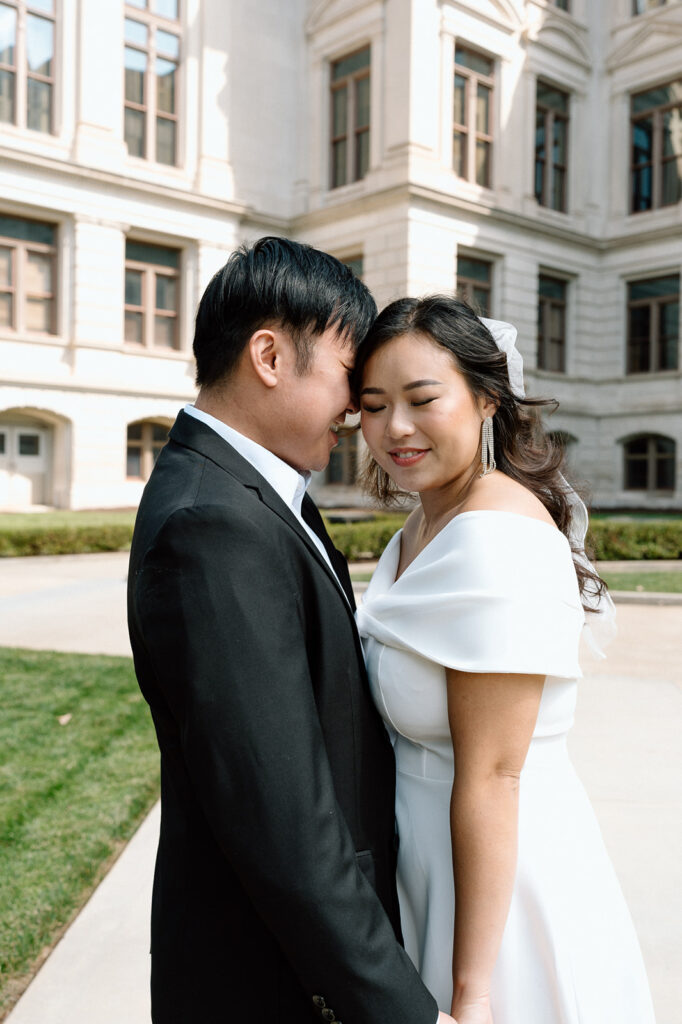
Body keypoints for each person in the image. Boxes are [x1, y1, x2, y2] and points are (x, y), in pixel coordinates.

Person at [127, 238, 451, 1024]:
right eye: (349, 373)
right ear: (269, 355)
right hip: (270, 980)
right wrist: (403, 1012)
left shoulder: (260, 492)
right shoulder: (213, 522)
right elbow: (284, 824)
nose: (356, 407)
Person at [354, 295, 656, 1024]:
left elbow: (494, 774)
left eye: (423, 399)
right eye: (372, 404)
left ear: (488, 399)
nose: (395, 428)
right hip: (433, 861)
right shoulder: (427, 523)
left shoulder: (497, 536)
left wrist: (474, 991)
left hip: (498, 893)